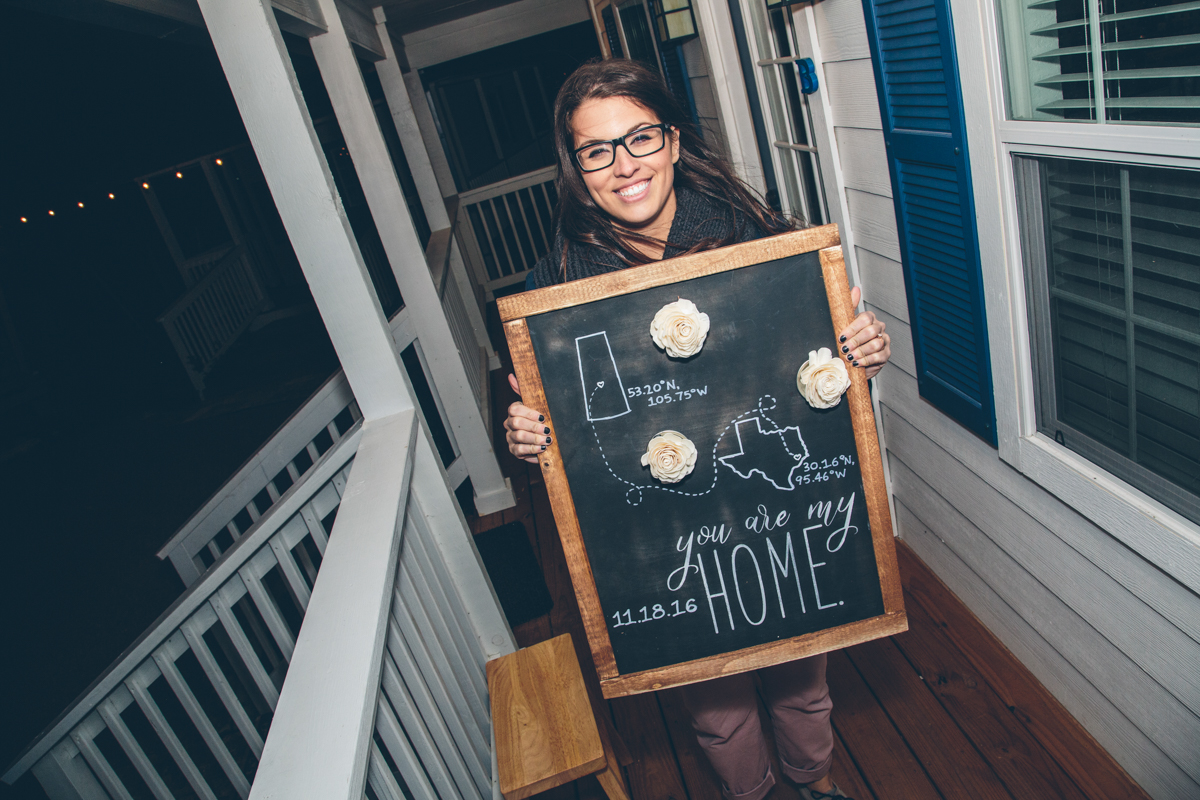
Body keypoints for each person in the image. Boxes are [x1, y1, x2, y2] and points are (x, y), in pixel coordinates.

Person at [503, 59, 890, 800]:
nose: (624, 166)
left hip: (776, 513)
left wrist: (861, 350)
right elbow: (560, 436)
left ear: (675, 142)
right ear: (577, 169)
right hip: (666, 546)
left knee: (803, 684)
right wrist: (526, 435)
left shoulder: (759, 240)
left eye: (640, 137)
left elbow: (821, 363)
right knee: (718, 713)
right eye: (597, 151)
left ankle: (816, 785)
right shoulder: (553, 291)